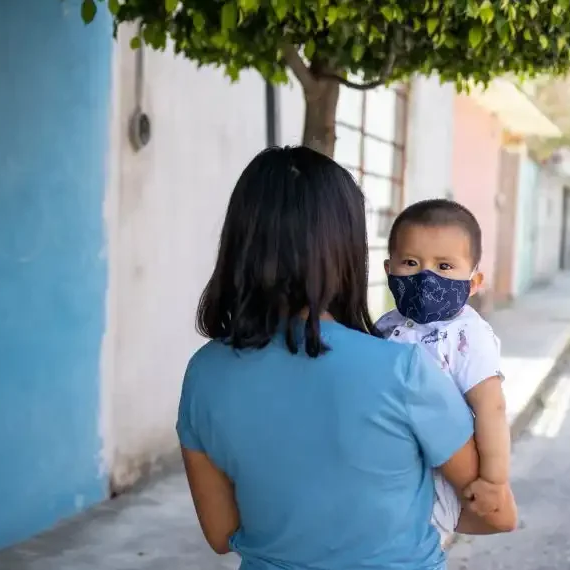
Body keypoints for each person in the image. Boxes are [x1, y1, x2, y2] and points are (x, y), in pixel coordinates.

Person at [176, 146, 517, 570]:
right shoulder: (404, 370)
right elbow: (498, 514)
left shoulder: (204, 374)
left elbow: (221, 532)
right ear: (347, 248)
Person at [376, 199, 511, 546]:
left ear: (474, 281)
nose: (426, 276)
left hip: (440, 478)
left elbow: (491, 407)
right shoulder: (384, 326)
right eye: (411, 262)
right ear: (388, 268)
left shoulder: (467, 335)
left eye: (445, 266)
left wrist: (493, 481)